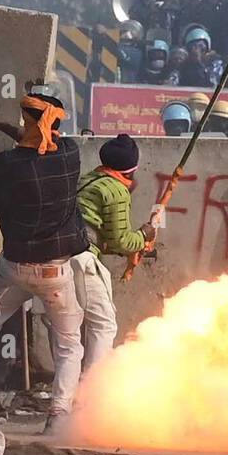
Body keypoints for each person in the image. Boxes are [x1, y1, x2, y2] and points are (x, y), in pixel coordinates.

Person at [0, 88, 88, 435]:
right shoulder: (69, 156)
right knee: (69, 347)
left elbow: (2, 164)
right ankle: (59, 414)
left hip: (14, 265)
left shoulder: (7, 166)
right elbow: (38, 140)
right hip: (55, 272)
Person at [73, 135, 155, 369]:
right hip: (83, 259)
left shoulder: (88, 180)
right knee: (103, 324)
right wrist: (143, 235)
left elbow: (101, 233)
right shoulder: (117, 190)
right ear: (132, 169)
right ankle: (95, 388)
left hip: (60, 255)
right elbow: (121, 241)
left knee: (67, 332)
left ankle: (69, 396)